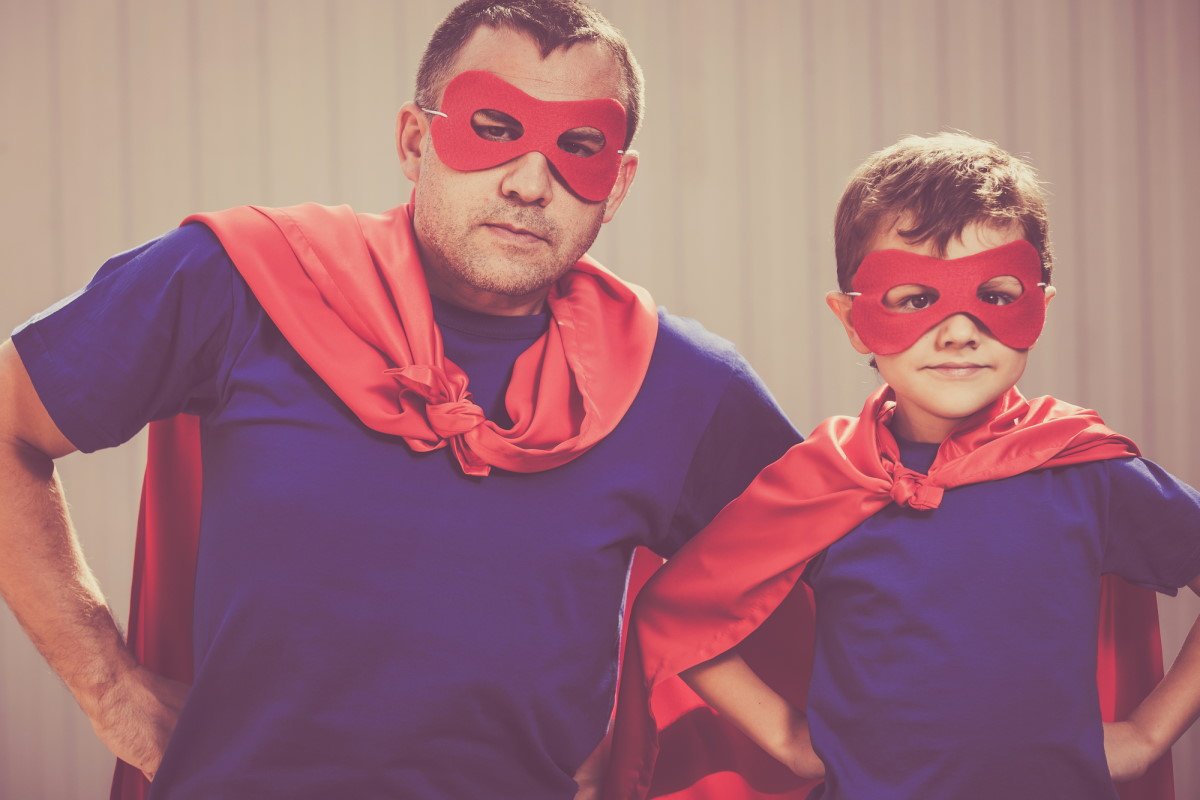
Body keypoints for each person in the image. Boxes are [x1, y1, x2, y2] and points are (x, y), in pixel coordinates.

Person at [0, 2, 800, 798]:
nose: (530, 184)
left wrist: (670, 738)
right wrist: (108, 686)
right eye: (494, 129)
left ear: (617, 184)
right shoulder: (246, 281)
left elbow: (844, 572)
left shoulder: (678, 381)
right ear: (416, 142)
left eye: (579, 149)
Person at [604, 132, 1200, 800]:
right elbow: (676, 612)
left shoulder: (1084, 471)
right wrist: (789, 740)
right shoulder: (827, 480)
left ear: (1041, 306)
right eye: (915, 299)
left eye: (996, 294)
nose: (959, 331)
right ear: (853, 320)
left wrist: (1148, 733)